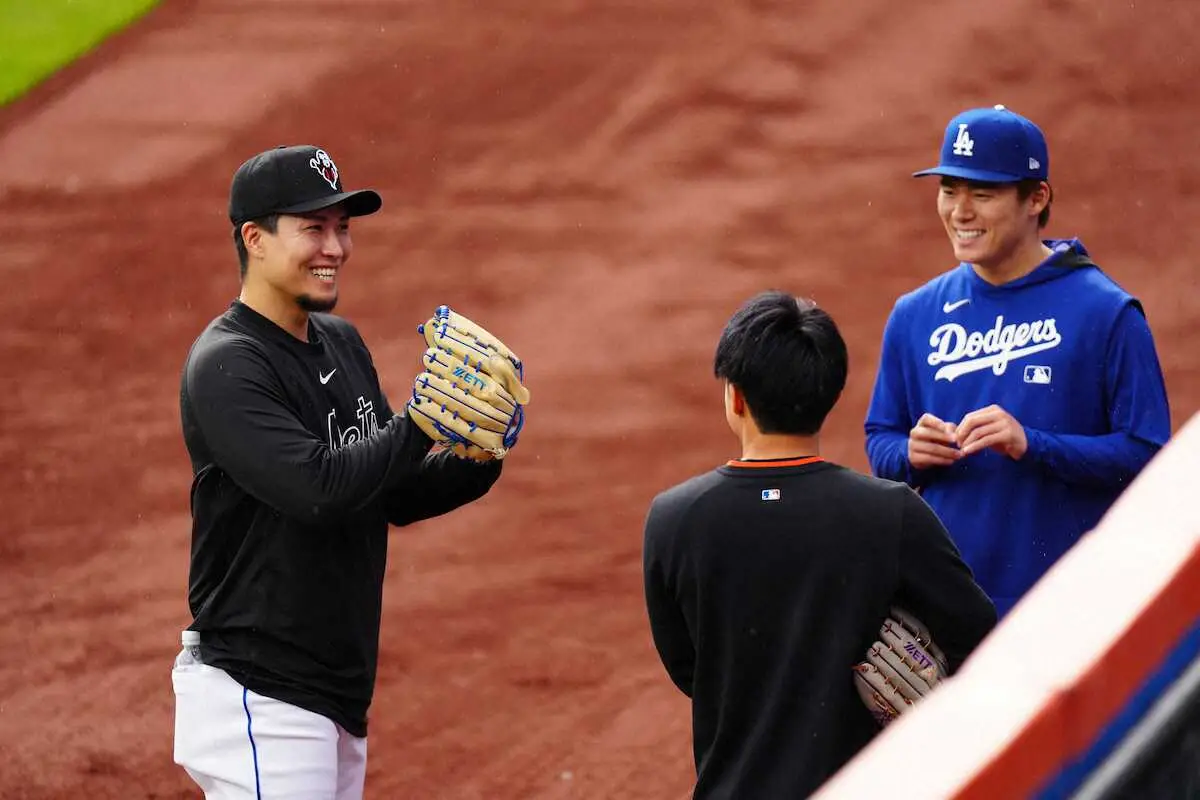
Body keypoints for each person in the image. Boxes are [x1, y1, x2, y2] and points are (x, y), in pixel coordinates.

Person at [173, 144, 507, 798]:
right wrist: (420, 423)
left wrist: (479, 456)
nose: (337, 247)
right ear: (255, 239)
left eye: (343, 228)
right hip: (261, 692)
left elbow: (393, 490)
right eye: (314, 228)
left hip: (333, 691)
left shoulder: (341, 343)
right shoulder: (229, 365)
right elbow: (318, 490)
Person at [642, 291, 996, 799]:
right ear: (828, 394)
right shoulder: (891, 513)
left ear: (736, 397)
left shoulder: (674, 517)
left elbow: (688, 667)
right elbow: (979, 639)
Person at [864, 105, 1172, 618]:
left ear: (1037, 198)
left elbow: (1147, 458)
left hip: (1066, 611)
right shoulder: (915, 315)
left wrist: (1033, 445)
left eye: (981, 194)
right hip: (948, 610)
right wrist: (911, 453)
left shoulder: (1105, 313)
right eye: (949, 190)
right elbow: (882, 439)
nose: (960, 211)